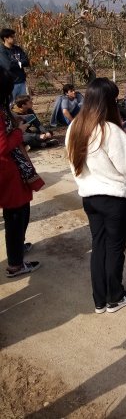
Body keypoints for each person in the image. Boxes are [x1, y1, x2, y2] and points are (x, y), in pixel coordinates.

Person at [65, 77, 126, 314]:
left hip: (90, 196)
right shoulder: (110, 131)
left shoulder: (74, 128)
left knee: (99, 247)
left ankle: (100, 300)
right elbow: (125, 166)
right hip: (114, 198)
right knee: (115, 248)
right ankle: (115, 297)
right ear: (108, 101)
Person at [0, 67, 44, 277]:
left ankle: (16, 248)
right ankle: (15, 263)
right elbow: (2, 146)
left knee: (17, 213)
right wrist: (19, 131)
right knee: (17, 214)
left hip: (10, 169)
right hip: (7, 171)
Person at [0, 28, 30, 101]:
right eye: (12, 37)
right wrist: (20, 62)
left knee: (22, 104)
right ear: (5, 38)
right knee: (10, 105)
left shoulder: (17, 49)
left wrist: (17, 63)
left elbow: (26, 62)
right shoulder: (2, 50)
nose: (14, 38)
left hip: (21, 81)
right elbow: (8, 66)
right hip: (10, 84)